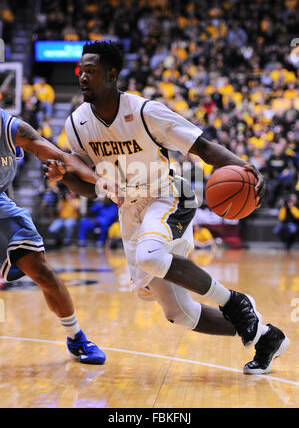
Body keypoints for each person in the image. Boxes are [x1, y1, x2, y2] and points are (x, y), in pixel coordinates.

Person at [44, 40, 289, 375]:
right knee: (179, 312)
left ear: (112, 75)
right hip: (130, 207)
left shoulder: (146, 112)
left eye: (91, 71)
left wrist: (246, 166)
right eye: (80, 71)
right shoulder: (76, 124)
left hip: (169, 193)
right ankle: (265, 335)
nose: (83, 77)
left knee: (150, 255)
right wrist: (64, 178)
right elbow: (91, 189)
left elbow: (202, 147)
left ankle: (235, 303)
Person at [0, 107, 106, 365]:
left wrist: (103, 184)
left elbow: (60, 156)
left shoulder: (12, 128)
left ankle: (76, 337)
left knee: (43, 273)